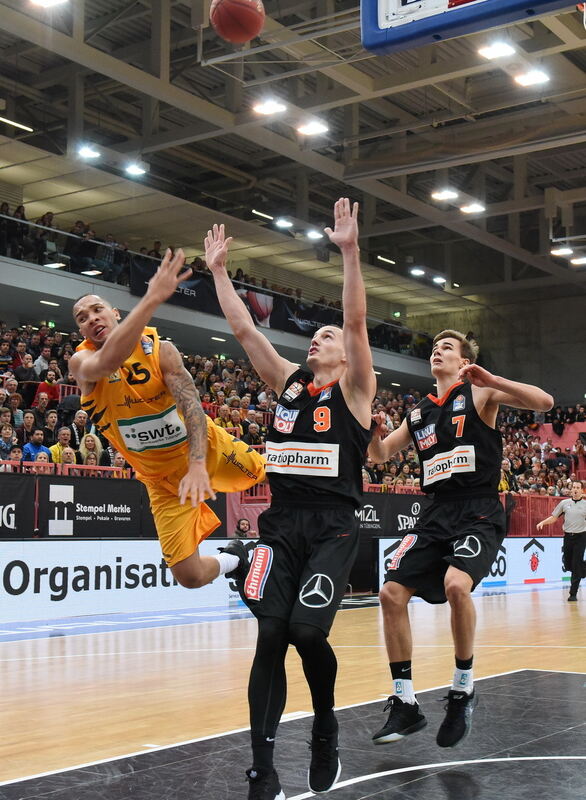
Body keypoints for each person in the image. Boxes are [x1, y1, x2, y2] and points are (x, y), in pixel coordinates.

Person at [205, 198, 376, 799]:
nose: (318, 340)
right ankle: (263, 768)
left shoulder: (356, 391)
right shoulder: (288, 384)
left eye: (325, 337)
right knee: (271, 635)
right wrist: (220, 272)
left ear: (342, 354)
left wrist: (350, 253)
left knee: (308, 635)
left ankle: (325, 724)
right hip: (280, 527)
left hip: (332, 528)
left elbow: (355, 323)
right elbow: (245, 330)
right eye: (316, 336)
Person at [368, 329, 553, 749]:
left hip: (478, 508)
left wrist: (493, 380)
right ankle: (405, 702)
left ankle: (463, 687)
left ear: (464, 361)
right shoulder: (417, 413)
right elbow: (379, 456)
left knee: (456, 584)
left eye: (447, 347)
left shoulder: (480, 394)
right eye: (435, 348)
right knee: (391, 593)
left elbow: (544, 403)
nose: (438, 351)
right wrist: (373, 433)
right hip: (435, 511)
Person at [69, 248, 265, 591]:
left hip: (205, 452)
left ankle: (303, 540)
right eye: (82, 317)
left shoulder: (162, 350)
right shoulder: (81, 363)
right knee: (189, 577)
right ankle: (236, 559)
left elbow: (191, 405)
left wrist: (199, 464)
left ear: (115, 314)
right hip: (161, 482)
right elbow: (106, 364)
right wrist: (152, 298)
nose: (91, 318)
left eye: (98, 309)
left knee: (275, 472)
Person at [537, 480, 586, 601]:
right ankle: (581, 568)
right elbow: (554, 518)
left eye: (577, 487)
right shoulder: (564, 503)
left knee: (575, 564)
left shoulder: (585, 505)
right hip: (568, 537)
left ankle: (573, 593)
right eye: (573, 487)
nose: (575, 489)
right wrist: (543, 522)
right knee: (568, 564)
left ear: (581, 490)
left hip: (581, 537)